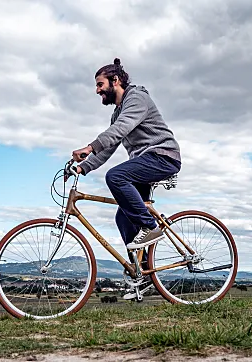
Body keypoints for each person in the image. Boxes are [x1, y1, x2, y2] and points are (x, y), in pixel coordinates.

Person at [71, 58, 181, 253]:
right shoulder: (117, 113)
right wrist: (82, 168)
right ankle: (143, 274)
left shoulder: (136, 98)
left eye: (100, 84)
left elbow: (121, 129)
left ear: (115, 80)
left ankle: (150, 227)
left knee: (115, 176)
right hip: (146, 162)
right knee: (123, 218)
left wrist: (89, 147)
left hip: (163, 157)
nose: (97, 90)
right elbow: (108, 147)